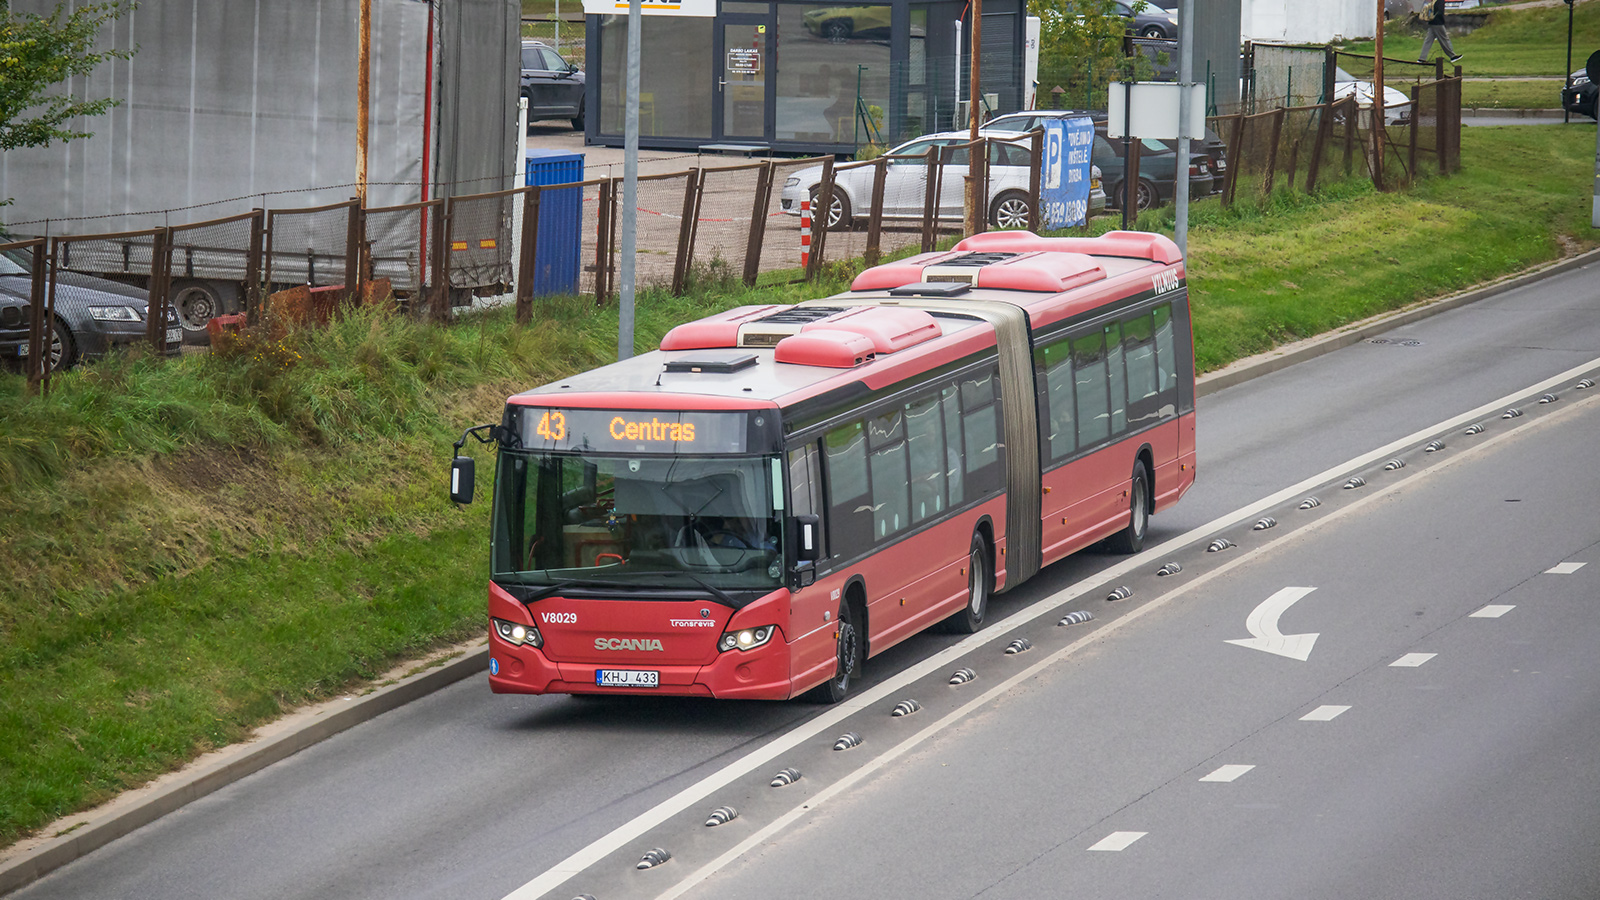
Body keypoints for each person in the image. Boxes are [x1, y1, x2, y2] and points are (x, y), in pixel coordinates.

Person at [1418, 0, 1462, 65]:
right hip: (1438, 23)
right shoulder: (1440, 1)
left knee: (1428, 41)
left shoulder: (1434, 1)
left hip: (1431, 22)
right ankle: (1452, 56)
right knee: (1444, 39)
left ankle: (1421, 58)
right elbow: (1440, 12)